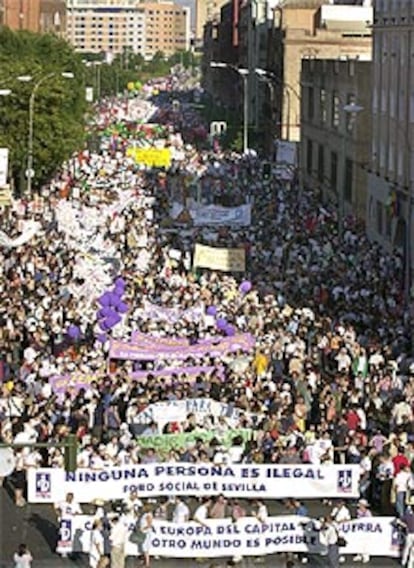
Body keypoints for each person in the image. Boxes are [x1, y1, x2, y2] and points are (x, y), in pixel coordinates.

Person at [139, 503, 154, 568]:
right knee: (144, 548)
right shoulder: (145, 514)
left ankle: (147, 563)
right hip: (144, 532)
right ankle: (145, 561)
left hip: (146, 533)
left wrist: (143, 528)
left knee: (145, 548)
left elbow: (149, 524)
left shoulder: (148, 515)